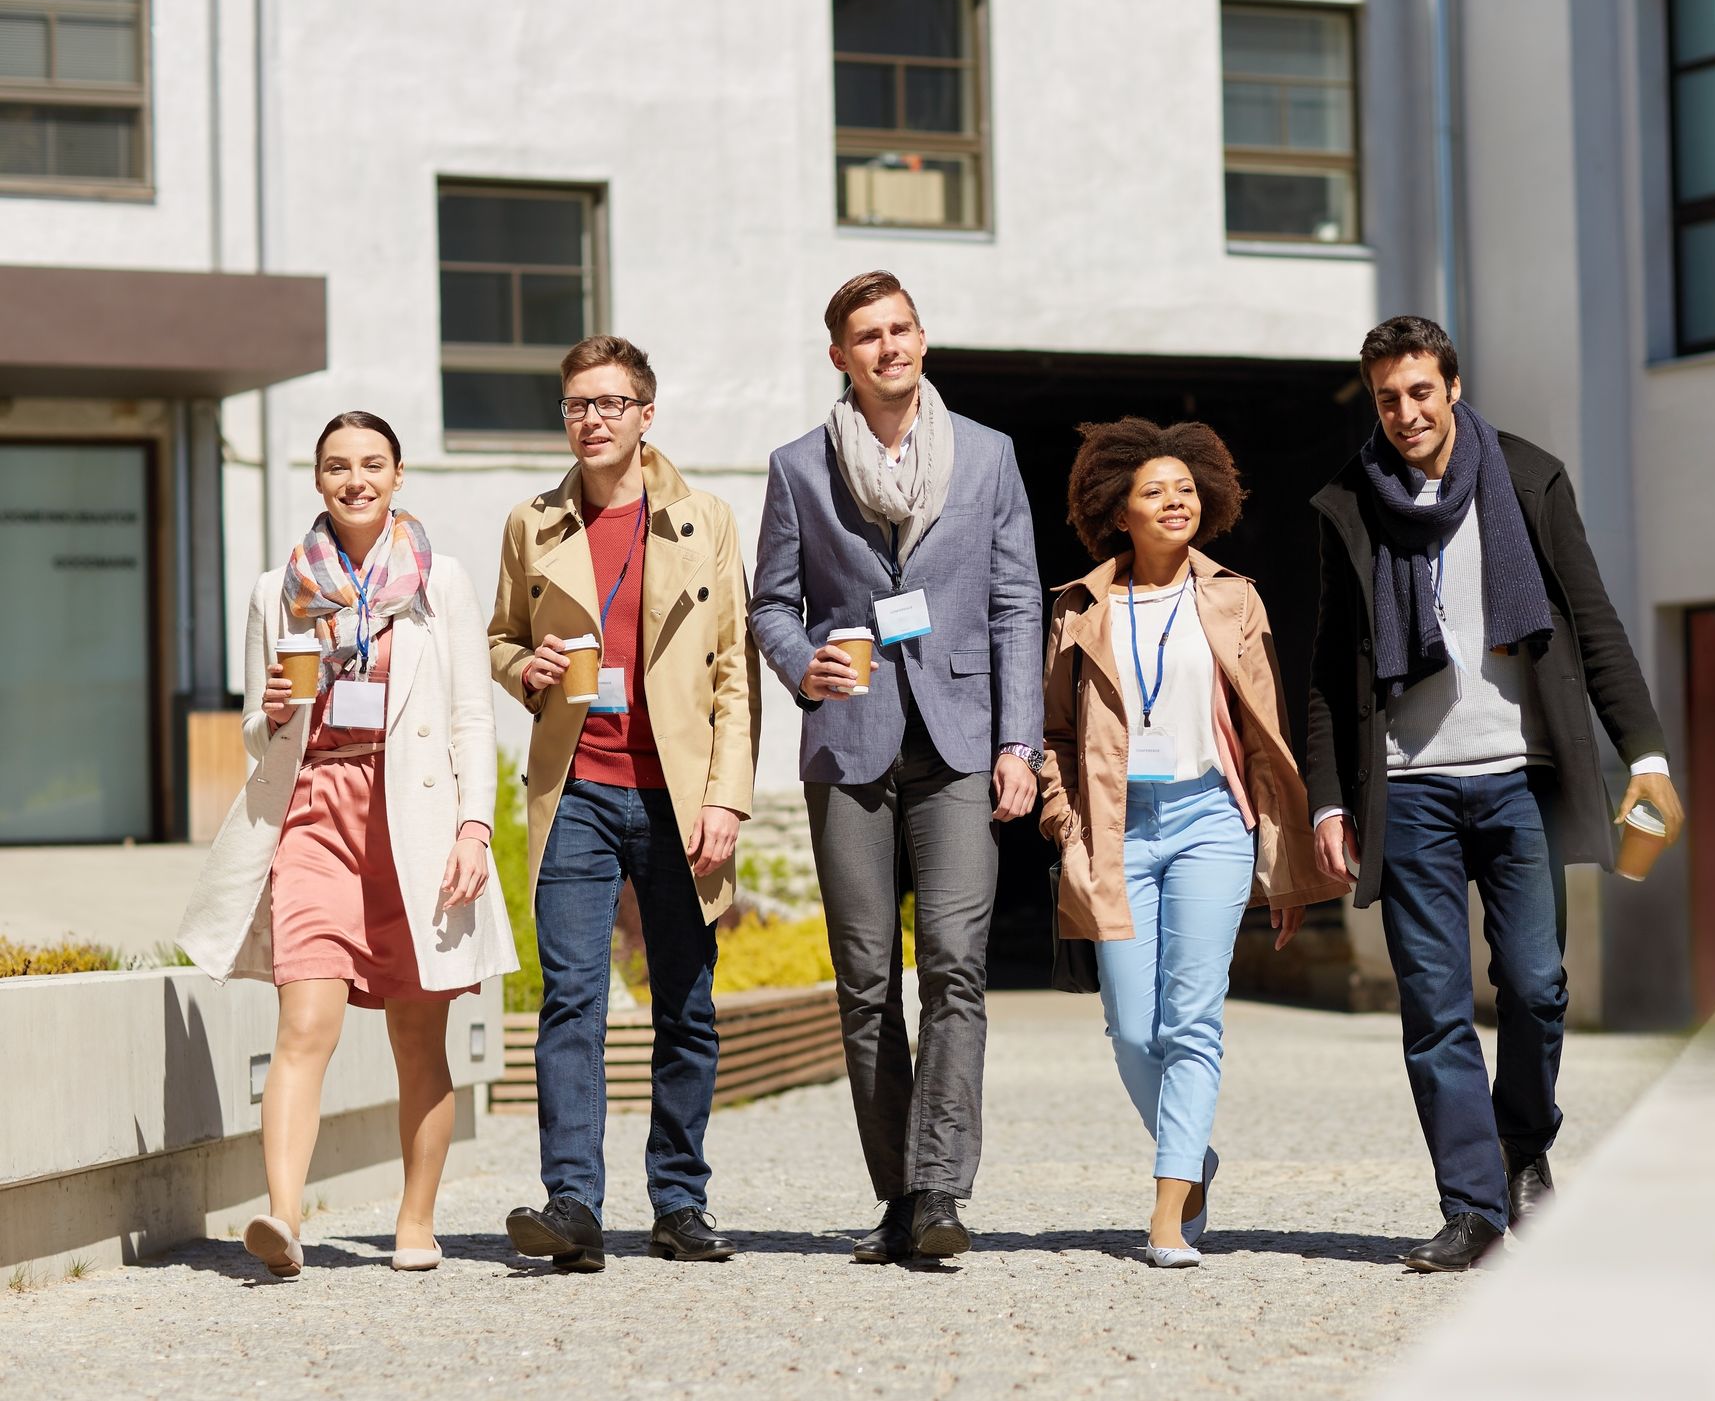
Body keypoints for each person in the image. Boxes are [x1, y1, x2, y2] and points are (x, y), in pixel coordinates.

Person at [1304, 315, 1686, 1272]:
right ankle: (1471, 1204)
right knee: (1434, 1004)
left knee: (1535, 983)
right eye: (1388, 398)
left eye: (1420, 391)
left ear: (1454, 387)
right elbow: (1322, 673)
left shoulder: (1526, 478)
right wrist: (1327, 799)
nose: (1405, 413)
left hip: (1517, 776)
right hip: (1408, 788)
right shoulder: (1348, 504)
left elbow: (1592, 620)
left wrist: (1645, 754)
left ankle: (1525, 1146)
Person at [180, 410, 517, 1279]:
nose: (355, 479)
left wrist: (476, 826)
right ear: (319, 479)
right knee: (305, 1022)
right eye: (338, 466)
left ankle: (415, 1218)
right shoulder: (276, 590)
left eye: (372, 464)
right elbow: (260, 732)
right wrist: (273, 714)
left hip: (417, 818)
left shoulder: (439, 582)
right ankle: (284, 1217)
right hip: (316, 813)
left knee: (418, 1036)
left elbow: (472, 715)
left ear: (398, 475)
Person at [748, 271, 1043, 1263]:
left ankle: (941, 1191)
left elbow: (1015, 604)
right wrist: (804, 662)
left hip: (961, 741)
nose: (889, 346)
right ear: (840, 356)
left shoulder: (990, 458)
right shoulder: (800, 468)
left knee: (956, 967)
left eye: (902, 328)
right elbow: (771, 604)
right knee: (866, 978)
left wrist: (1019, 743)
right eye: (867, 336)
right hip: (850, 742)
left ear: (924, 337)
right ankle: (900, 1189)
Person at [1036, 418, 1348, 1268]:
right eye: (1153, 491)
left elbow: (1266, 732)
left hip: (1212, 816)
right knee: (1133, 1027)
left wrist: (1283, 868)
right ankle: (1194, 1155)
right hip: (1116, 828)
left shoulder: (1234, 597)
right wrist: (1065, 821)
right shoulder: (1079, 605)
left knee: (1193, 1018)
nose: (1176, 500)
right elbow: (1056, 734)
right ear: (1118, 512)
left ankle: (1168, 1206)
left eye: (1185, 488)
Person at [489, 335, 758, 1273]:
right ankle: (573, 1203)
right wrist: (522, 668)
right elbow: (501, 637)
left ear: (648, 413)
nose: (591, 419)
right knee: (572, 998)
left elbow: (733, 674)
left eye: (609, 403)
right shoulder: (532, 522)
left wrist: (727, 799)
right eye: (576, 405)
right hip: (578, 791)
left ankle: (681, 1202)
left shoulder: (706, 518)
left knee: (686, 1002)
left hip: (679, 797)